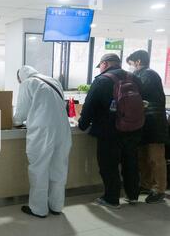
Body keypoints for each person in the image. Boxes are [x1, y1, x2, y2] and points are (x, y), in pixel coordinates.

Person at [79, 53, 143, 209]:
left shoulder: (102, 80)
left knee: (109, 165)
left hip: (109, 131)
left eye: (100, 65)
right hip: (133, 128)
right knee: (131, 162)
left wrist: (82, 124)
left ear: (105, 64)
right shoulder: (134, 78)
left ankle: (111, 198)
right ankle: (133, 195)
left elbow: (89, 106)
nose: (100, 68)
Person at [13, 66, 72, 218]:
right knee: (59, 167)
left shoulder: (28, 83)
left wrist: (15, 121)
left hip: (43, 131)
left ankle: (38, 209)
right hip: (63, 129)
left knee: (39, 168)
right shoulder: (54, 81)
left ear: (21, 78)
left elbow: (21, 113)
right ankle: (56, 206)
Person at [127, 50, 168, 204]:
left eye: (131, 64)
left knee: (155, 158)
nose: (131, 67)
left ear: (138, 61)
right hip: (145, 122)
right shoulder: (143, 74)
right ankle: (146, 184)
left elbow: (139, 93)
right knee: (143, 156)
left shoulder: (148, 75)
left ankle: (159, 189)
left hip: (155, 123)